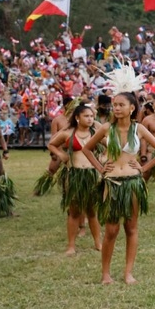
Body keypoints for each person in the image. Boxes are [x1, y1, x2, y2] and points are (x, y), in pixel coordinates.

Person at [82, 67, 155, 285]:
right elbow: (87, 149)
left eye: (121, 105)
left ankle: (128, 272)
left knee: (131, 228)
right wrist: (100, 168)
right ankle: (105, 274)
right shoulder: (105, 129)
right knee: (111, 230)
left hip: (132, 182)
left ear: (132, 108)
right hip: (112, 183)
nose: (117, 108)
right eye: (115, 105)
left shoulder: (139, 129)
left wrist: (143, 167)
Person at [47, 104, 102, 255]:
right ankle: (71, 245)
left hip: (91, 175)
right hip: (74, 175)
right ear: (77, 118)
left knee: (92, 211)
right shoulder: (68, 133)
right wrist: (62, 155)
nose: (90, 119)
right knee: (74, 212)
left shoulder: (96, 133)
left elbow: (110, 146)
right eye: (86, 116)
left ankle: (98, 242)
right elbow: (51, 144)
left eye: (92, 116)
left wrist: (104, 160)